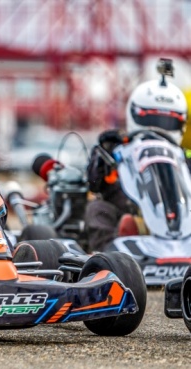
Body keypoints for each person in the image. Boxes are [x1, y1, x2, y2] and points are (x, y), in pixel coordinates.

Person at [84, 58, 189, 252]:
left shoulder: (182, 156)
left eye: (167, 121)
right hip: (128, 209)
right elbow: (93, 184)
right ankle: (108, 259)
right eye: (151, 116)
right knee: (97, 209)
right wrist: (106, 150)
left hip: (180, 214)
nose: (158, 126)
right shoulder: (118, 148)